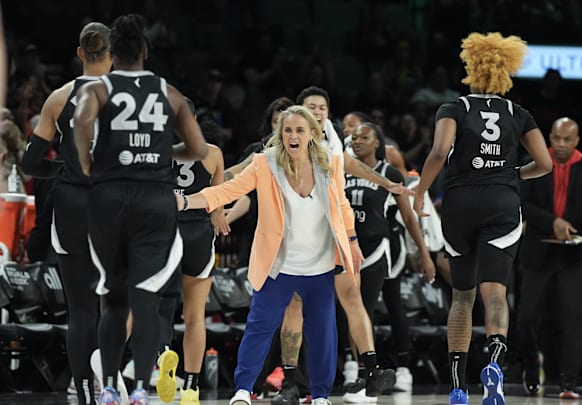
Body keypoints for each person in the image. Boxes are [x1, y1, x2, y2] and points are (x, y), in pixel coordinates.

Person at [179, 105, 361, 405]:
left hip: (320, 265)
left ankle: (320, 395)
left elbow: (342, 206)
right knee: (259, 327)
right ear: (279, 134)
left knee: (323, 333)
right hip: (278, 265)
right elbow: (226, 191)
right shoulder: (265, 164)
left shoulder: (329, 164)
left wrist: (352, 241)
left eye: (300, 130)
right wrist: (187, 201)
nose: (293, 135)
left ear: (312, 134)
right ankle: (242, 390)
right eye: (287, 130)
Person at [72, 14, 208, 405]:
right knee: (145, 296)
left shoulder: (98, 88)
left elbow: (82, 120)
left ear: (112, 54)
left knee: (114, 297)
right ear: (145, 52)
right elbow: (198, 149)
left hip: (109, 196)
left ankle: (111, 387)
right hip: (155, 198)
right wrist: (163, 153)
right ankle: (140, 391)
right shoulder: (169, 92)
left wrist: (86, 161)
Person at [412, 32, 553, 405]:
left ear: (472, 68)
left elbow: (440, 152)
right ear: (506, 71)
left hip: (459, 204)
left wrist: (417, 192)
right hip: (501, 203)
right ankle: (493, 364)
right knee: (496, 293)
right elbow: (545, 164)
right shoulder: (518, 114)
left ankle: (458, 385)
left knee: (461, 296)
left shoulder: (453, 107)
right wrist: (511, 175)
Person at [265, 87, 407, 405]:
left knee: (352, 297)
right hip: (298, 236)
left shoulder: (332, 141)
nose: (317, 111)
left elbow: (348, 167)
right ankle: (289, 378)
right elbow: (251, 170)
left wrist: (385, 182)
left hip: (334, 235)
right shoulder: (286, 142)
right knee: (296, 307)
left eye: (322, 107)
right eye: (310, 107)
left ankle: (371, 368)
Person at [20, 22, 124, 405]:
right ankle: (111, 384)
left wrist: (60, 170)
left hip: (71, 205)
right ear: (112, 55)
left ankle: (83, 392)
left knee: (79, 309)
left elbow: (31, 162)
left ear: (80, 53)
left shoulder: (58, 98)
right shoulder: (130, 98)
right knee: (114, 303)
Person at [341, 122, 436, 402]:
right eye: (354, 138)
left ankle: (364, 376)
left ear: (377, 143)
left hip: (375, 250)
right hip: (346, 248)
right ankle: (358, 371)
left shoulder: (389, 173)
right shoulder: (342, 170)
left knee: (364, 310)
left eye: (364, 137)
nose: (357, 141)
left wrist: (425, 254)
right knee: (351, 312)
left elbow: (408, 217)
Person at [516, 117, 582, 399]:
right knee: (526, 318)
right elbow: (523, 203)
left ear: (577, 141)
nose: (561, 145)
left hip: (572, 255)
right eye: (556, 138)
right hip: (538, 251)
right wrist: (553, 221)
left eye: (567, 140)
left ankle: (569, 382)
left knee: (572, 318)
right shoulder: (534, 161)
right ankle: (532, 367)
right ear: (549, 137)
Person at [154, 97, 229, 405]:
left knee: (160, 306)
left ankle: (162, 357)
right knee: (195, 316)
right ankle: (192, 386)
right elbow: (217, 205)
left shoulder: (155, 153)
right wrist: (220, 219)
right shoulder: (212, 154)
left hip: (164, 234)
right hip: (198, 235)